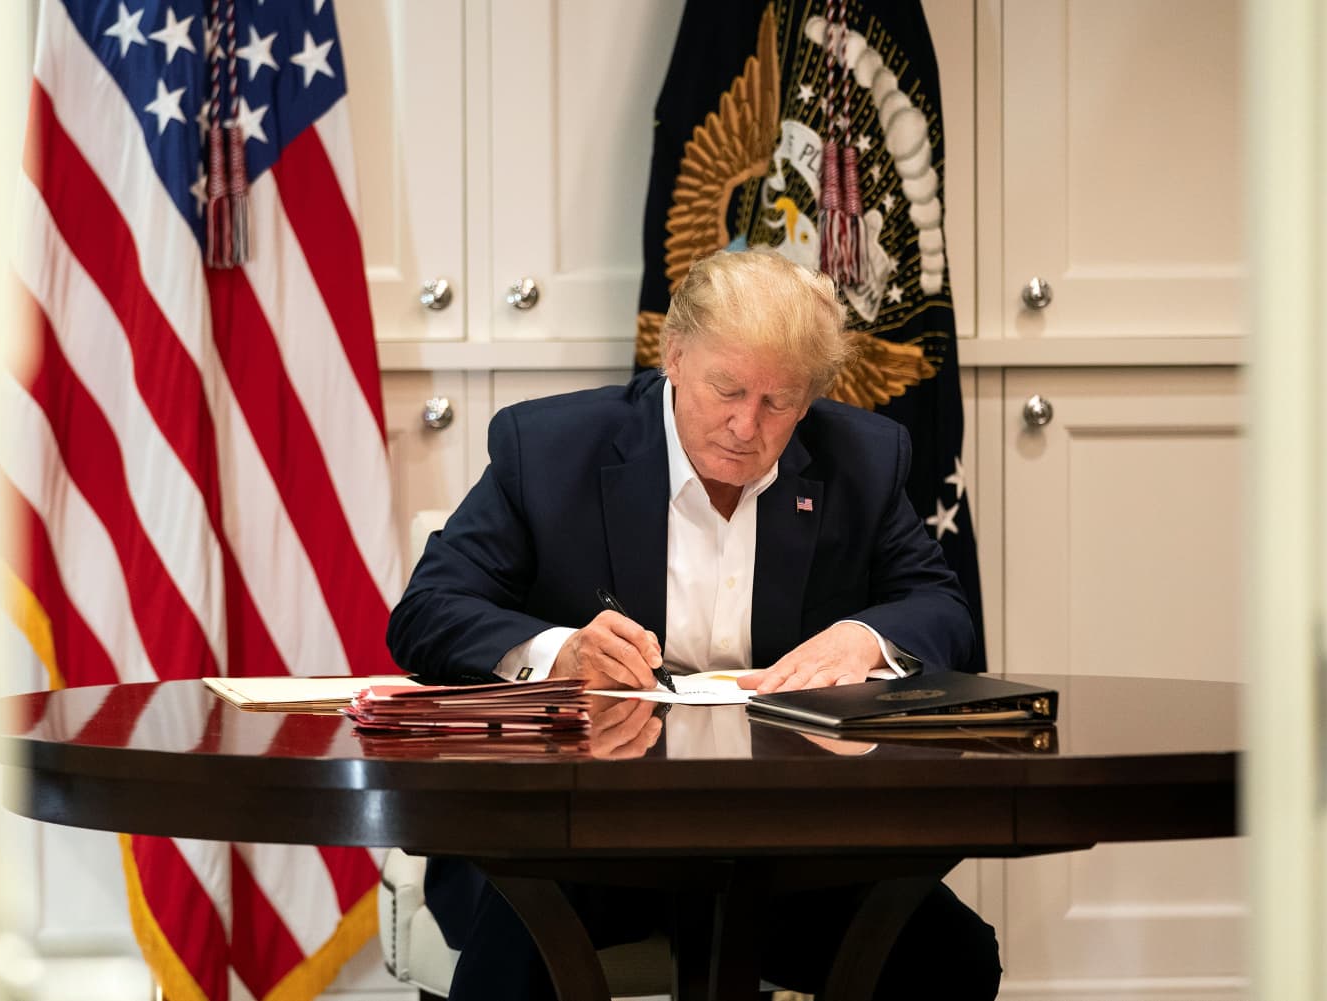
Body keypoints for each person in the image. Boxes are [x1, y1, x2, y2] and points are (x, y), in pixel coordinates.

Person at [387, 248, 1000, 1000]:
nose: (748, 425)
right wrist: (560, 651)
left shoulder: (862, 460)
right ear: (675, 356)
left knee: (951, 955)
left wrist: (865, 637)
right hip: (577, 834)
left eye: (779, 402)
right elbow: (426, 613)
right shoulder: (547, 450)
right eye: (728, 389)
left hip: (785, 844)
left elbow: (941, 610)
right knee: (518, 947)